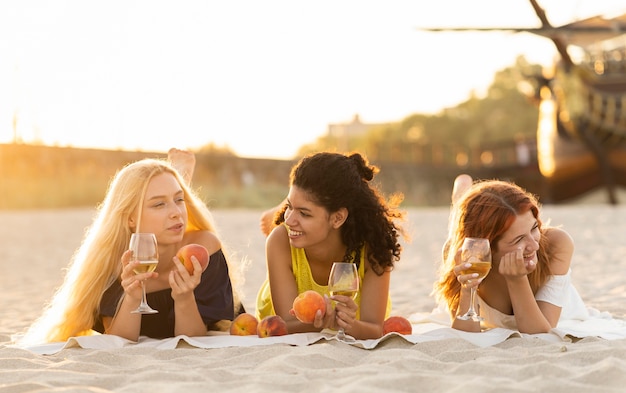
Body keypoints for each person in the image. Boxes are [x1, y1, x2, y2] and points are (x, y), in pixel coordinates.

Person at [18, 150, 245, 345]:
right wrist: (132, 297)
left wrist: (185, 297)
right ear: (130, 219)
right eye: (159, 204)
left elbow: (194, 340)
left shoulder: (204, 247)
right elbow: (120, 342)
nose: (177, 212)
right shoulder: (117, 261)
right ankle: (178, 174)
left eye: (179, 199)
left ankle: (177, 176)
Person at [255, 151, 407, 339]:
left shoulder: (374, 248)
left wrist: (345, 324)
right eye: (289, 207)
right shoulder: (280, 240)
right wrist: (321, 325)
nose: (290, 219)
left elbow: (374, 329)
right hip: (288, 325)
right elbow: (285, 323)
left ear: (337, 218)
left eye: (304, 213)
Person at [432, 175, 587, 334]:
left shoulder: (556, 243)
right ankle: (460, 198)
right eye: (519, 239)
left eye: (534, 228)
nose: (534, 245)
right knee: (453, 244)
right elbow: (466, 336)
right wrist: (467, 289)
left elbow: (540, 334)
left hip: (561, 318)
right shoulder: (465, 257)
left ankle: (462, 196)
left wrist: (517, 280)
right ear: (488, 247)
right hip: (471, 247)